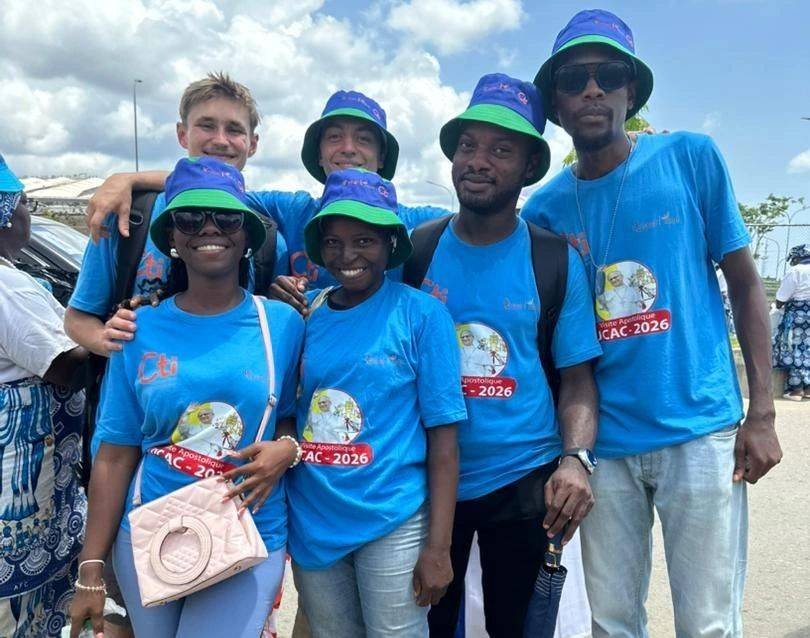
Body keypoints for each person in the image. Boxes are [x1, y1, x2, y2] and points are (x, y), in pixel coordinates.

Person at [521, 9, 782, 636]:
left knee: (709, 623)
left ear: (630, 91)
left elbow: (747, 287)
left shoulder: (690, 158)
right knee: (611, 623)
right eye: (574, 78)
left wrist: (763, 414)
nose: (592, 89)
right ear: (555, 102)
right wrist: (569, 453)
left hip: (699, 430)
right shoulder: (547, 207)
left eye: (608, 74)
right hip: (603, 449)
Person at [68, 157, 304, 638]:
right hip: (153, 530)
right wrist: (91, 567)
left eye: (227, 218)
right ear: (171, 238)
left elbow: (296, 416)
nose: (208, 228)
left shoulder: (282, 325)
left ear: (246, 237)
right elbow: (115, 454)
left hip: (249, 530)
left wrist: (289, 449)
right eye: (190, 218)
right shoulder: (138, 329)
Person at [408, 73, 601, 638]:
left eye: (501, 149)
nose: (479, 160)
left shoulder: (553, 259)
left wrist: (575, 460)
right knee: (429, 627)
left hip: (522, 484)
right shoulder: (416, 250)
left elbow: (578, 381)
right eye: (468, 145)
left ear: (528, 167)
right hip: (424, 482)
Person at [284, 168, 465, 637]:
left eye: (364, 241)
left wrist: (438, 548)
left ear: (389, 243)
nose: (348, 256)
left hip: (393, 521)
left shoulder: (422, 315)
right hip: (315, 523)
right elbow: (289, 412)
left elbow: (444, 439)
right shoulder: (308, 315)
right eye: (335, 242)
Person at [83, 89, 448, 313]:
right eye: (334, 137)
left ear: (383, 156)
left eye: (364, 139)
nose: (348, 149)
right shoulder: (289, 211)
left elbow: (488, 222)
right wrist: (127, 179)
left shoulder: (418, 223)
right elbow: (212, 188)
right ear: (318, 154)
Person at [65, 72, 288, 358]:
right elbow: (77, 318)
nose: (220, 140)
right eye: (206, 126)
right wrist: (115, 345)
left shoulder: (266, 238)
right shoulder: (128, 217)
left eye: (234, 129)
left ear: (252, 143)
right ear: (182, 134)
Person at [0, 155, 89, 637]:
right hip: (18, 489)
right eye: (26, 204)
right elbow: (65, 368)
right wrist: (119, 335)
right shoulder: (6, 287)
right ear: (10, 213)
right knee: (21, 615)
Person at [773, 244, 810, 400]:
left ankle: (797, 389)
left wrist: (777, 306)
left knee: (794, 347)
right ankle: (808, 388)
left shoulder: (795, 271)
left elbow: (781, 298)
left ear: (796, 257)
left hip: (798, 315)